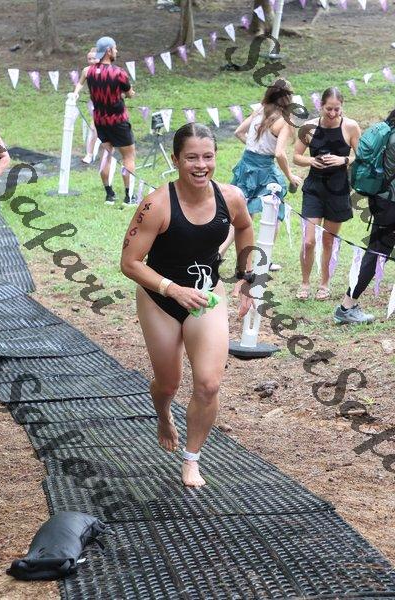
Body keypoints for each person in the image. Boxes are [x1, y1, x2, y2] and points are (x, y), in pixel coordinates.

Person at [120, 123, 254, 487]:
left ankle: (191, 459)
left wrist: (246, 276)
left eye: (207, 157)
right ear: (176, 159)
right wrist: (172, 290)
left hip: (206, 295)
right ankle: (163, 412)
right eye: (192, 158)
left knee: (208, 384)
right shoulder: (156, 205)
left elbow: (244, 227)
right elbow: (129, 263)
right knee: (168, 383)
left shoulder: (231, 197)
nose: (201, 165)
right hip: (160, 299)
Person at [219, 79, 302, 271]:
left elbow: (239, 132)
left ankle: (219, 253)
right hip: (264, 170)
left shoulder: (260, 109)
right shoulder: (284, 121)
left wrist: (254, 148)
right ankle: (263, 260)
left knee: (241, 214)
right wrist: (290, 176)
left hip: (246, 165)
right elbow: (279, 153)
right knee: (273, 212)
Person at [294, 87, 361, 300]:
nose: (332, 113)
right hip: (314, 188)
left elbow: (362, 158)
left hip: (338, 190)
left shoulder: (350, 127)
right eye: (328, 109)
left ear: (342, 107)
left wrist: (343, 160)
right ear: (320, 106)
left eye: (336, 109)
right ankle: (305, 283)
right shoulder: (309, 127)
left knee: (328, 241)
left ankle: (324, 284)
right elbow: (296, 156)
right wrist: (311, 160)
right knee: (308, 241)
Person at [334, 109, 395, 324]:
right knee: (376, 253)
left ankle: (347, 305)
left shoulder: (390, 130)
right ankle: (346, 306)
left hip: (382, 200)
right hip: (390, 204)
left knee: (377, 252)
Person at [74, 36, 136, 206]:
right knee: (128, 157)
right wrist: (128, 94)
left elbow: (80, 86)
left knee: (106, 155)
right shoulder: (119, 73)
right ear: (108, 51)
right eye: (115, 48)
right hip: (118, 121)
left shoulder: (88, 71)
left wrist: (75, 94)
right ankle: (129, 197)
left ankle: (109, 195)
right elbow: (129, 94)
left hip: (100, 121)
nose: (116, 51)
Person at [74, 47, 100, 165]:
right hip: (96, 105)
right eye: (89, 59)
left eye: (94, 58)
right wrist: (75, 93)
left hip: (109, 105)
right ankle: (89, 154)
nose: (91, 61)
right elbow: (80, 83)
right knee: (94, 129)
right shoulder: (86, 71)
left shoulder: (106, 70)